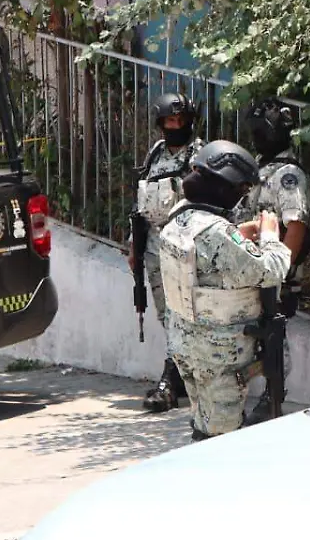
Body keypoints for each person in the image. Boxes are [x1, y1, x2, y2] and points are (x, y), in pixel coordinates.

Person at [157, 140, 291, 441]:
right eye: (241, 190)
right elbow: (270, 269)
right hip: (218, 356)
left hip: (186, 345)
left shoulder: (177, 218)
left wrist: (237, 235)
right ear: (224, 187)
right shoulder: (216, 233)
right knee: (221, 440)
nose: (241, 197)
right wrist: (270, 235)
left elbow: (203, 260)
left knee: (203, 425)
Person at [233, 97, 310, 425]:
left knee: (275, 337)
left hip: (274, 274)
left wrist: (282, 270)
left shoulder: (288, 173)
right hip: (257, 270)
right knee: (261, 335)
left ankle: (273, 397)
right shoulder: (265, 169)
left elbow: (296, 225)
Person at [128, 92, 204, 413]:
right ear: (161, 124)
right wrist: (134, 245)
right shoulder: (156, 153)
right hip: (154, 249)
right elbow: (141, 201)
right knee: (165, 315)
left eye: (181, 120)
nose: (176, 125)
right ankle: (183, 376)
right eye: (170, 121)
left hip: (183, 248)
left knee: (180, 314)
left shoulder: (199, 155)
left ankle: (170, 382)